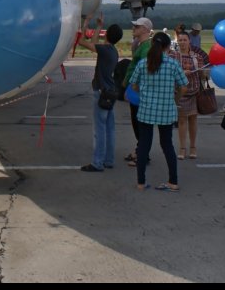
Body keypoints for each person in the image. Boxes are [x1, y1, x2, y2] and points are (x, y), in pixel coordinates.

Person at [129, 32, 188, 191]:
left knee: (144, 145)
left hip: (146, 110)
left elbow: (133, 84)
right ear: (168, 47)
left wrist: (142, 93)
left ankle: (141, 182)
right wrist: (175, 99)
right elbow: (183, 86)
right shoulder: (173, 64)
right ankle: (173, 181)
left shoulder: (143, 63)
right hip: (166, 110)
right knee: (167, 144)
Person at [77, 13, 124, 172]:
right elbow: (95, 44)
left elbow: (83, 41)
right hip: (111, 92)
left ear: (107, 35)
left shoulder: (105, 50)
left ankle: (97, 162)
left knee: (99, 130)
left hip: (101, 93)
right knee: (110, 128)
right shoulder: (113, 51)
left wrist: (86, 23)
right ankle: (109, 160)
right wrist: (98, 27)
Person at [168, 31, 209, 160]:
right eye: (180, 40)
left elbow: (203, 76)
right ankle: (182, 148)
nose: (182, 42)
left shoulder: (197, 57)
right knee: (181, 120)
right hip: (180, 92)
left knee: (193, 119)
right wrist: (181, 73)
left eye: (185, 40)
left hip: (194, 91)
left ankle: (193, 147)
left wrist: (203, 73)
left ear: (189, 41)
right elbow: (169, 73)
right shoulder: (172, 56)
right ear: (177, 42)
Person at [122, 17, 153, 166]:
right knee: (137, 123)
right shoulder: (142, 45)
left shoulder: (147, 48)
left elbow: (144, 73)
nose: (133, 28)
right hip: (135, 88)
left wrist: (133, 90)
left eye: (137, 26)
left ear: (146, 30)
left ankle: (143, 155)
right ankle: (139, 150)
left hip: (139, 91)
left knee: (140, 124)